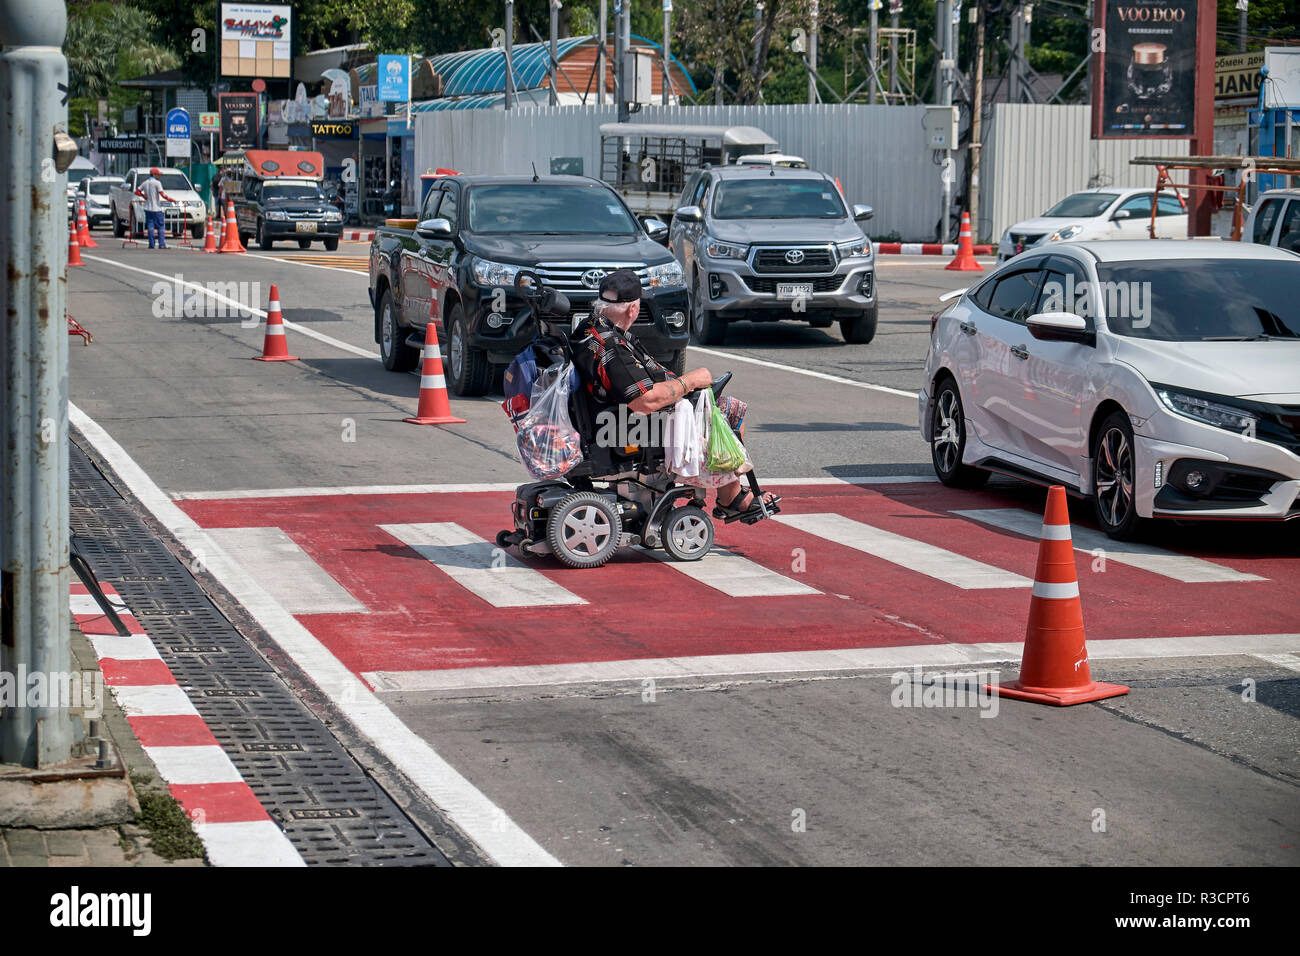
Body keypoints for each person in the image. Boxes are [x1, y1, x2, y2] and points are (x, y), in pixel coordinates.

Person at [570, 269, 779, 520]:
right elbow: (644, 401)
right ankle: (732, 497)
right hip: (622, 427)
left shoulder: (590, 327)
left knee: (715, 401)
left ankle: (731, 494)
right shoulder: (611, 346)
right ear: (632, 310)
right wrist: (689, 381)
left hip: (609, 416)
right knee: (728, 410)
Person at [134, 167, 176, 250]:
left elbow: (136, 191)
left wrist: (143, 196)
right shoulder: (157, 183)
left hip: (148, 208)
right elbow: (163, 195)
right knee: (161, 226)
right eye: (158, 174)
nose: (159, 176)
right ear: (154, 174)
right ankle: (161, 244)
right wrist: (171, 199)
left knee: (150, 227)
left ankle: (151, 244)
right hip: (156, 208)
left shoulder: (145, 183)